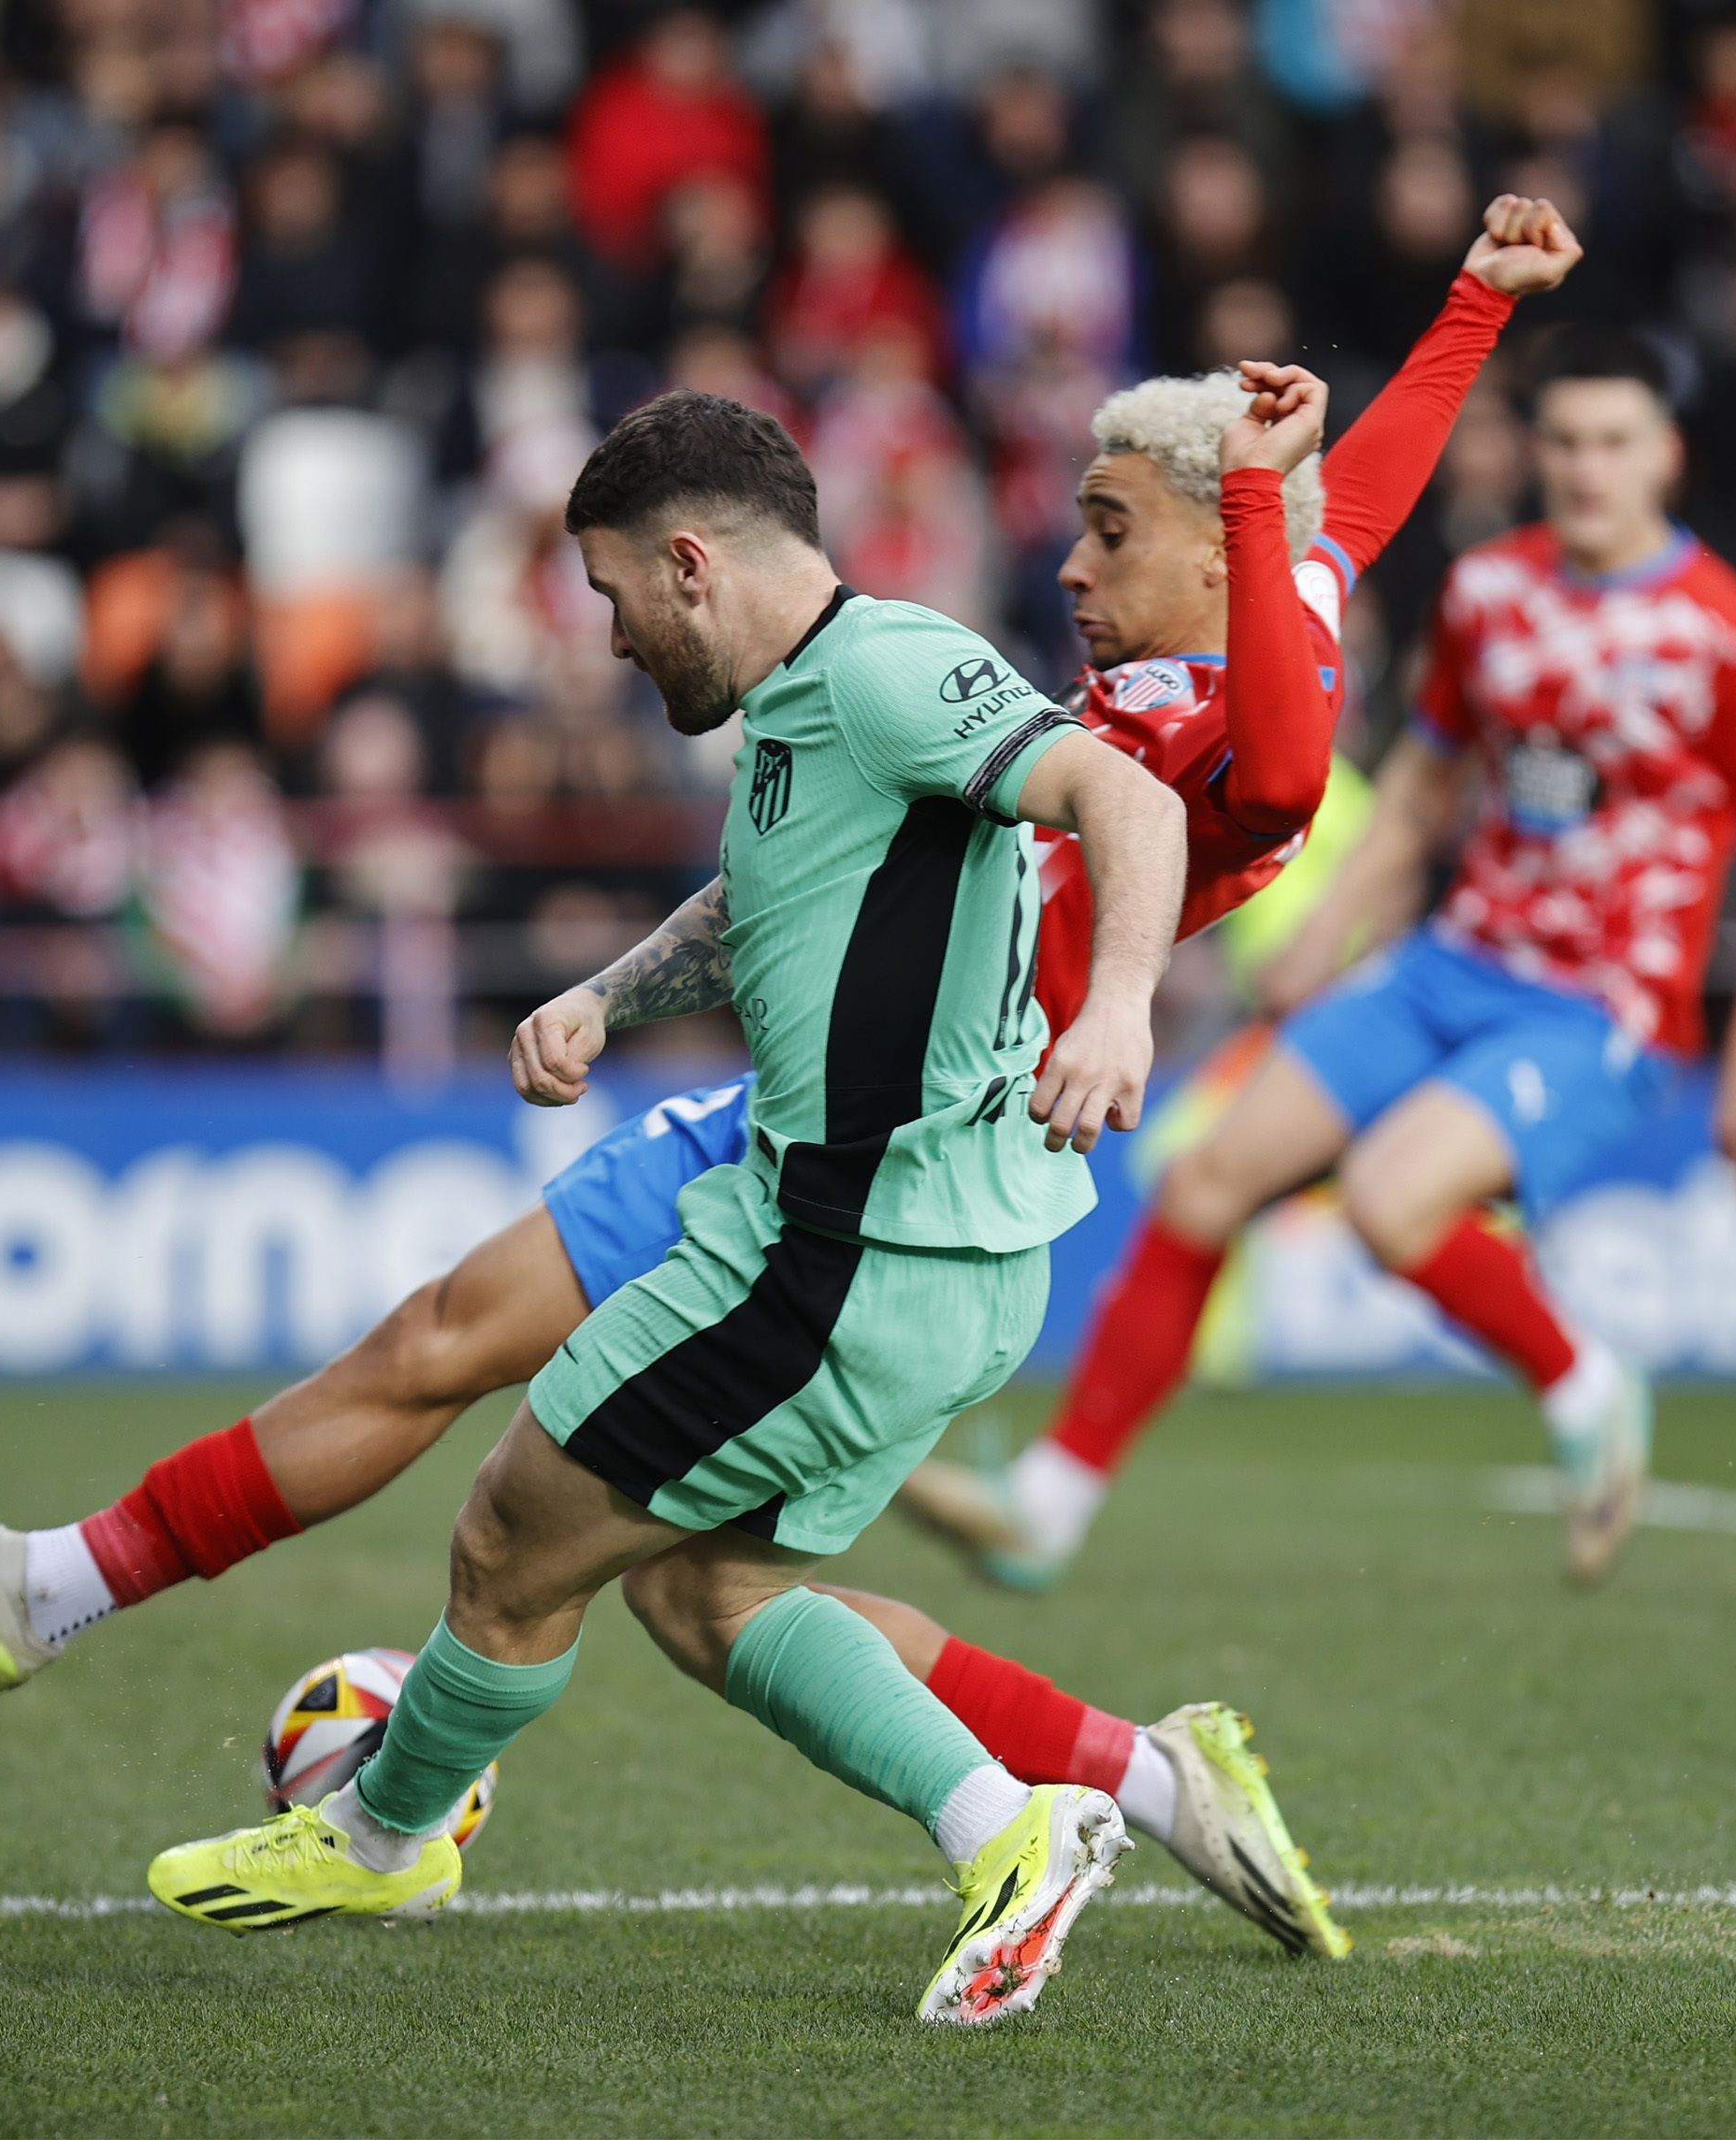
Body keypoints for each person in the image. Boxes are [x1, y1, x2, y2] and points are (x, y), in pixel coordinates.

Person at [0, 198, 1584, 1959]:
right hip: (785, 1103)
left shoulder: (1217, 717)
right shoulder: (1172, 617)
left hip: (913, 1137)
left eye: (1106, 527)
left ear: (1213, 544)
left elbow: (1269, 751)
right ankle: (51, 1585)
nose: (1066, 563)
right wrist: (1468, 304)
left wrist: (1119, 994)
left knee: (672, 1572)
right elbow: (1344, 503)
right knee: (444, 1340)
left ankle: (498, 1814)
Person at [154, 389, 1188, 2023]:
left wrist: (1116, 1003)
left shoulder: (885, 666)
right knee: (703, 1587)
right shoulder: (802, 703)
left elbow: (1131, 801)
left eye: (612, 591)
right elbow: (773, 891)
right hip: (915, 1256)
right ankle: (1014, 1824)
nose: (613, 634)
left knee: (510, 1536)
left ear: (690, 561)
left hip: (844, 1253)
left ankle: (383, 1830)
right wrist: (610, 996)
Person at [900, 327, 1736, 1593]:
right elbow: (1420, 791)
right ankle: (1052, 1504)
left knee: (1396, 1203)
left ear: (1665, 457)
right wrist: (1333, 925)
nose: (1584, 469)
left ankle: (1586, 1385)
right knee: (1204, 1182)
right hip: (1452, 961)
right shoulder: (1492, 593)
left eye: (1613, 443)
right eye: (1562, 441)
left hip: (1602, 1002)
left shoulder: (1727, 635)